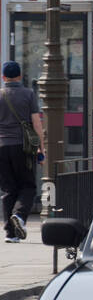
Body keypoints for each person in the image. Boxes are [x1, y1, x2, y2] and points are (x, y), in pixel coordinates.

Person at [0, 61, 46, 242]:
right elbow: (36, 123)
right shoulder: (28, 94)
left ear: (4, 77)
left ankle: (11, 233)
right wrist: (41, 148)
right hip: (23, 147)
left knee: (8, 189)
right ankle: (19, 216)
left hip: (2, 147)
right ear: (20, 76)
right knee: (28, 186)